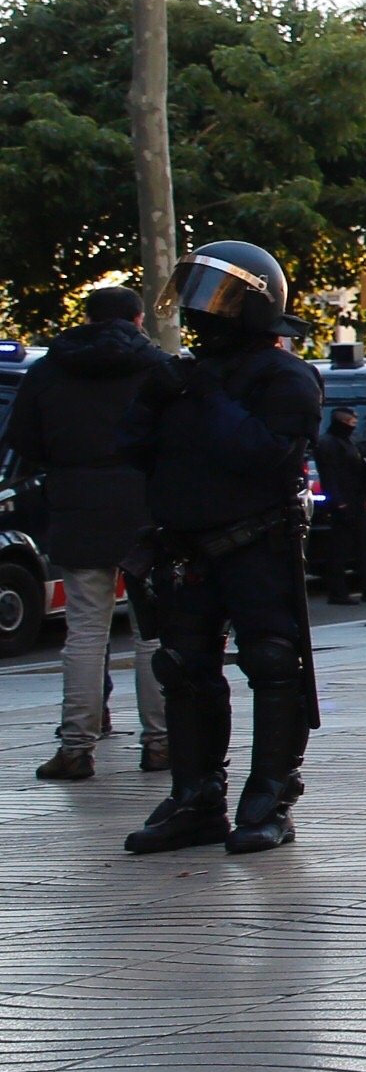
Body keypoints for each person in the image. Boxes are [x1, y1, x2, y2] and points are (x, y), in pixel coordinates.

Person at [118, 244, 323, 854]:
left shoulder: (284, 376)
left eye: (221, 302)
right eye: (199, 300)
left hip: (254, 543)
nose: (204, 316)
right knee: (182, 669)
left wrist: (207, 396)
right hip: (184, 546)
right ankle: (195, 798)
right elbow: (131, 451)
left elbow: (261, 454)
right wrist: (155, 398)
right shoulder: (184, 376)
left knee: (271, 662)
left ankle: (268, 798)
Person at [6, 284, 171, 780]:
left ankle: (76, 748)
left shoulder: (50, 370)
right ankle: (161, 743)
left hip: (76, 506)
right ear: (137, 320)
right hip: (145, 509)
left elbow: (22, 441)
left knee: (84, 633)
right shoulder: (156, 368)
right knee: (152, 635)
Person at [313, 405, 366, 607]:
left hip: (356, 501)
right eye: (351, 423)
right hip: (344, 504)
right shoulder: (329, 444)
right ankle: (338, 593)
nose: (353, 426)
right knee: (339, 550)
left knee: (365, 547)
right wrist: (339, 502)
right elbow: (330, 476)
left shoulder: (347, 441)